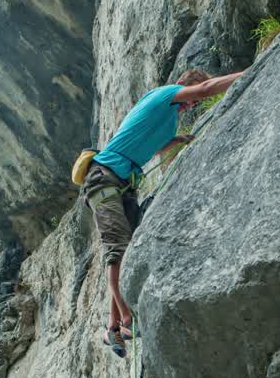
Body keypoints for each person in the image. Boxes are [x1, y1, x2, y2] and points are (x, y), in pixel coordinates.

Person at [81, 68, 244, 358]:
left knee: (126, 252)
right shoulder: (164, 95)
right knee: (117, 248)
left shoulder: (168, 122)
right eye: (190, 97)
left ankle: (113, 326)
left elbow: (152, 147)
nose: (190, 103)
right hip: (103, 178)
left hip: (122, 184)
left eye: (192, 104)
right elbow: (207, 88)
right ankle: (128, 319)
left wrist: (176, 141)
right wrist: (244, 75)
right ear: (183, 85)